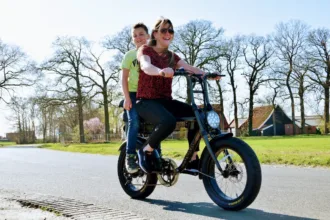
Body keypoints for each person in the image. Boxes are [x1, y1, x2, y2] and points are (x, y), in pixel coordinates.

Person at [135, 17, 205, 172]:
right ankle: (146, 150)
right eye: (164, 30)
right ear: (155, 33)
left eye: (171, 30)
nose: (168, 33)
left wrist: (207, 74)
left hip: (165, 101)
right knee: (168, 121)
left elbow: (188, 67)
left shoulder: (172, 56)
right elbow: (146, 66)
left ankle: (193, 159)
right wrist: (160, 71)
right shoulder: (145, 50)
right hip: (146, 102)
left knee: (198, 114)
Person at [121, 23, 150, 173]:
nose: (138, 37)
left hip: (149, 95)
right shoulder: (129, 55)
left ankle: (156, 154)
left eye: (141, 34)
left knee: (159, 122)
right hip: (133, 94)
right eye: (135, 35)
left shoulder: (154, 53)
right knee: (135, 120)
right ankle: (130, 155)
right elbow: (124, 78)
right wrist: (127, 98)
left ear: (148, 36)